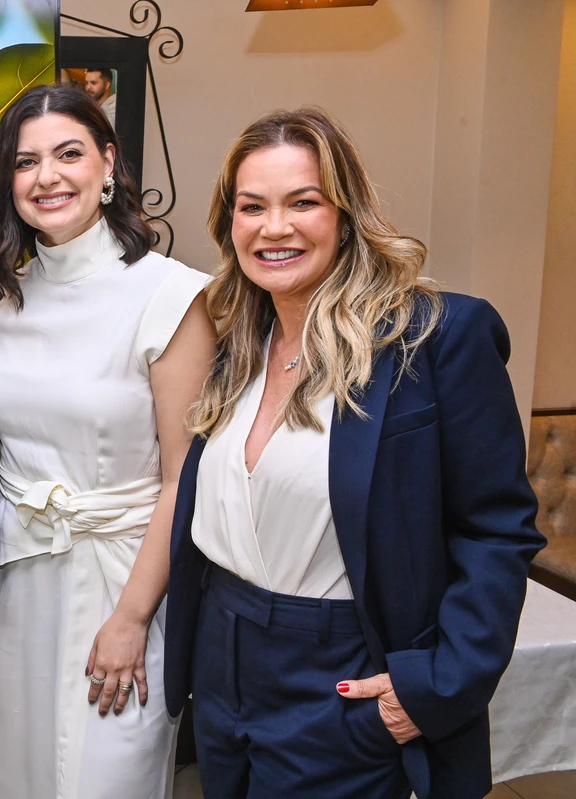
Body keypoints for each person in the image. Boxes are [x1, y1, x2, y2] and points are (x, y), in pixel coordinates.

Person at [162, 108, 546, 799]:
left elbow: (497, 529)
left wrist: (434, 686)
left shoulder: (434, 338)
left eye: (303, 202)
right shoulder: (236, 344)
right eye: (252, 207)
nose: (274, 227)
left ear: (346, 216)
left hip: (341, 674)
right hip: (221, 663)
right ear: (230, 224)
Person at [0, 85, 216, 798]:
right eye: (26, 162)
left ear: (108, 163)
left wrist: (132, 617)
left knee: (108, 777)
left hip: (124, 580)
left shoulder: (171, 295)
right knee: (14, 777)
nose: (47, 177)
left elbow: (184, 477)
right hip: (18, 583)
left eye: (68, 154)